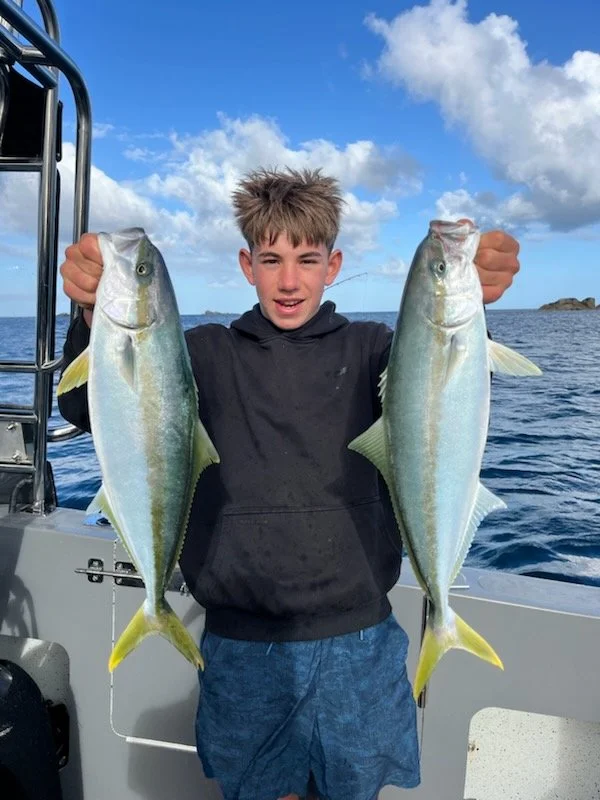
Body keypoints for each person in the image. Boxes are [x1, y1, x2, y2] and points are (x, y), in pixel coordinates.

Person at [58, 168, 520, 800]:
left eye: (307, 260)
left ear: (334, 265)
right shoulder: (203, 354)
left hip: (361, 639)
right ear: (246, 265)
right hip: (242, 646)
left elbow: (444, 391)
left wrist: (472, 301)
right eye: (271, 260)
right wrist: (91, 314)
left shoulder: (375, 350)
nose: (289, 280)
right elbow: (87, 407)